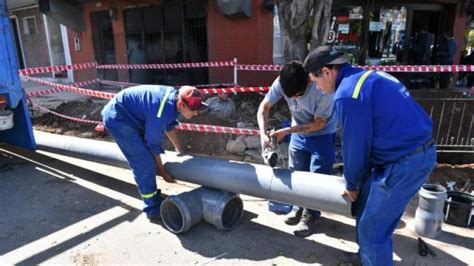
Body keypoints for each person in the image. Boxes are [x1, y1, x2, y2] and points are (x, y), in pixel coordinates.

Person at [304, 46, 436, 265]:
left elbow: (355, 146)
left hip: (405, 162)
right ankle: (365, 257)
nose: (318, 88)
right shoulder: (367, 77)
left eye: (316, 82)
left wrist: (352, 184)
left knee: (373, 229)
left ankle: (371, 256)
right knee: (368, 208)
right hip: (413, 152)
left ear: (326, 72)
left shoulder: (348, 94)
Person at [101, 85, 207, 221]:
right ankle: (152, 207)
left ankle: (152, 194)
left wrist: (179, 150)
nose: (196, 113)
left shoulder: (173, 101)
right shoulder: (161, 110)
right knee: (144, 162)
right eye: (194, 110)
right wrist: (162, 172)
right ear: (181, 104)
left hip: (133, 115)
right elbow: (153, 145)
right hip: (118, 119)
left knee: (146, 156)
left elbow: (169, 126)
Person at [257, 61, 337, 237]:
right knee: (296, 172)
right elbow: (264, 107)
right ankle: (297, 207)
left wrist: (287, 131)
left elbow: (318, 124)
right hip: (298, 134)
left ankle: (312, 215)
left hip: (322, 134)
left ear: (308, 82)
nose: (293, 99)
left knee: (317, 178)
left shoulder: (321, 89)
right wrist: (263, 134)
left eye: (297, 95)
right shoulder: (283, 81)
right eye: (289, 96)